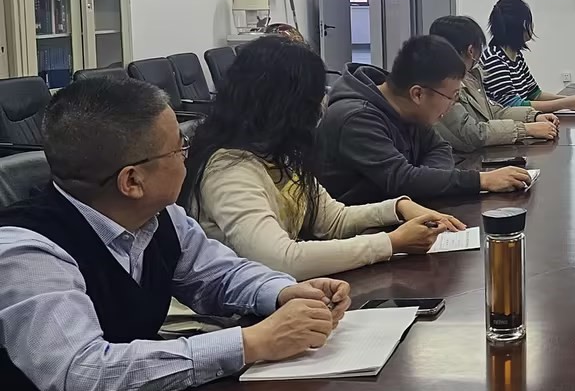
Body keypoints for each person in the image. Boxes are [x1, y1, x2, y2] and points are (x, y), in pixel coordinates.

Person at [0, 77, 353, 391]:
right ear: (132, 180)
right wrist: (251, 343)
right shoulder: (25, 251)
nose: (188, 155)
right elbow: (83, 376)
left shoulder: (158, 218)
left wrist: (284, 293)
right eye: (178, 149)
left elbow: (221, 275)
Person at [183, 35, 467, 278]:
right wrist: (390, 243)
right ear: (282, 106)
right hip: (240, 313)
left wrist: (398, 207)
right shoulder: (228, 170)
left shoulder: (279, 153)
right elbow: (282, 260)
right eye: (312, 100)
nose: (320, 109)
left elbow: (333, 220)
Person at [317, 34, 532, 204]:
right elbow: (402, 180)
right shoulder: (356, 118)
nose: (453, 104)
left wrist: (426, 178)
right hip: (360, 233)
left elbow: (440, 148)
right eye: (452, 96)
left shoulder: (409, 109)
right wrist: (481, 180)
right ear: (418, 94)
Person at [428, 14, 559, 152]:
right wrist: (525, 129)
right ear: (471, 51)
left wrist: (533, 116)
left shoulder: (469, 77)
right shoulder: (441, 86)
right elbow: (471, 133)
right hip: (460, 160)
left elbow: (492, 112)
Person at [480, 0, 575, 114]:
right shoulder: (494, 59)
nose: (532, 26)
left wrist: (570, 100)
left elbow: (535, 94)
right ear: (520, 26)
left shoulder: (516, 56)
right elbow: (514, 106)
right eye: (528, 22)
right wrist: (565, 103)